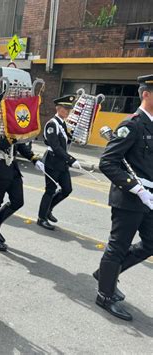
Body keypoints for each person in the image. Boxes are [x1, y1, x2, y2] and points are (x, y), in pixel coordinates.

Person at [93, 74, 153, 321]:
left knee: (150, 243)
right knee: (117, 246)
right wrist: (136, 189)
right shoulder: (133, 124)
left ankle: (106, 272)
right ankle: (104, 295)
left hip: (149, 198)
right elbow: (108, 162)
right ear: (146, 94)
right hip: (130, 198)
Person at [0, 124, 44, 252]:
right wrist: (9, 140)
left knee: (18, 201)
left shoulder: (14, 123)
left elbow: (20, 144)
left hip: (12, 168)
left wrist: (33, 158)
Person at [37, 95, 81, 230]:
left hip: (61, 163)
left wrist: (72, 137)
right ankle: (41, 218)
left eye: (69, 109)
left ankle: (49, 209)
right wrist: (70, 159)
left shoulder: (62, 123)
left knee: (67, 189)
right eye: (65, 109)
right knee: (50, 190)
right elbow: (55, 147)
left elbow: (64, 142)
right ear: (58, 108)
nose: (68, 112)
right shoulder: (52, 124)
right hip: (52, 161)